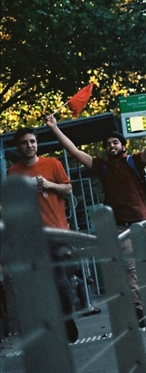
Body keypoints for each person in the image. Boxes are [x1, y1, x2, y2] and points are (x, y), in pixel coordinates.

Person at [47, 109, 146, 324]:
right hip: (121, 226)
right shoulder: (101, 167)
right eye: (108, 144)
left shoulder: (134, 162)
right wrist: (54, 127)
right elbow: (73, 151)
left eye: (115, 143)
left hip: (142, 221)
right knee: (131, 268)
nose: (111, 146)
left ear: (123, 146)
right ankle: (139, 309)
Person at [8, 126, 80, 341]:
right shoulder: (13, 172)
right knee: (41, 284)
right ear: (18, 147)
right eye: (24, 143)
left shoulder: (52, 163)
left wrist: (48, 184)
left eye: (32, 141)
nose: (29, 146)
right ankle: (55, 323)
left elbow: (68, 190)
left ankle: (67, 319)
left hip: (57, 231)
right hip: (32, 236)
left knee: (60, 281)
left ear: (36, 143)